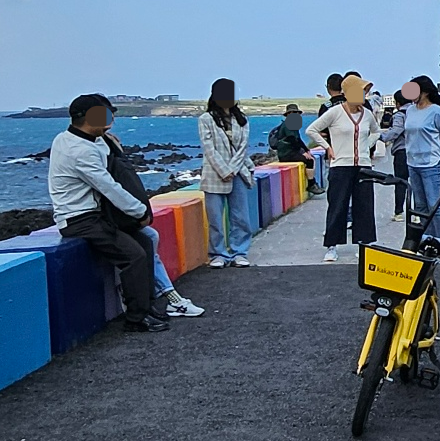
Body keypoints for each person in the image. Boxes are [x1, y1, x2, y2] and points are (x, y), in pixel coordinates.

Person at [48, 94, 165, 332]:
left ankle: (148, 306)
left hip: (96, 214)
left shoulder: (76, 139)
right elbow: (108, 186)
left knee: (145, 243)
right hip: (79, 218)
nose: (110, 118)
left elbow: (105, 155)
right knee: (133, 255)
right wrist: (140, 211)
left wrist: (110, 143)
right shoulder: (78, 151)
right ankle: (136, 319)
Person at [102, 132, 205, 317]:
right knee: (143, 244)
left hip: (114, 214)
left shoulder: (104, 153)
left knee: (150, 237)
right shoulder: (100, 157)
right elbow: (113, 188)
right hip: (106, 217)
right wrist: (140, 212)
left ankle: (162, 293)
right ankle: (169, 296)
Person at [306, 74, 379, 262]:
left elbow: (375, 131)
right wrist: (328, 147)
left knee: (364, 205)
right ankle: (332, 245)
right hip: (341, 165)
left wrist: (366, 145)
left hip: (362, 165)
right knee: (337, 205)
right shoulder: (335, 112)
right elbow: (312, 130)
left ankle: (364, 243)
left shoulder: (367, 114)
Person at [198, 78, 256, 269]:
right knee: (215, 218)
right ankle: (218, 253)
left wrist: (232, 169)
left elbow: (242, 148)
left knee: (240, 216)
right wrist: (224, 170)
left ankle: (240, 251)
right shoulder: (206, 119)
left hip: (237, 172)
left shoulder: (241, 119)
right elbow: (209, 148)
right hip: (214, 175)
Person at [399, 76, 440, 243]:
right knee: (420, 206)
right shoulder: (410, 110)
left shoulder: (437, 111)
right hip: (412, 162)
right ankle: (428, 240)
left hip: (431, 162)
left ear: (424, 92)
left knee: (434, 205)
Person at [270, 104, 324, 195]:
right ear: (288, 114)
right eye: (294, 113)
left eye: (297, 113)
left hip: (290, 152)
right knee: (309, 161)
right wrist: (302, 153)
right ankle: (311, 184)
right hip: (286, 154)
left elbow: (298, 139)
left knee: (310, 158)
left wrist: (306, 150)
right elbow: (292, 139)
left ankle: (312, 183)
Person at [379, 90, 412, 222]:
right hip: (417, 151)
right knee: (416, 182)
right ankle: (417, 212)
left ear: (398, 103)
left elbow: (396, 130)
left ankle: (399, 212)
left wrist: (381, 137)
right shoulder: (416, 112)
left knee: (401, 182)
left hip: (402, 151)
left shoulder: (400, 114)